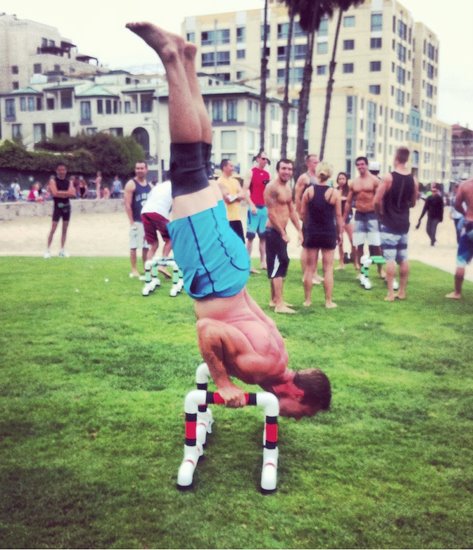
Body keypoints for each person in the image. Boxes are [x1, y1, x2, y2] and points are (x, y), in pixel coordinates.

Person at [126, 21, 331, 417]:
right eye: (299, 414)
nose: (292, 417)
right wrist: (223, 382)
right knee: (188, 170)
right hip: (218, 273)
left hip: (229, 274)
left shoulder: (281, 353)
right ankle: (172, 58)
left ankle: (187, 61)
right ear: (298, 396)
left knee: (198, 166)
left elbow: (250, 309)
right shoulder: (262, 368)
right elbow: (208, 330)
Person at [374, 147, 419, 301]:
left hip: (389, 222)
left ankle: (390, 294)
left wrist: (380, 213)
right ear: (407, 159)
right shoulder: (413, 179)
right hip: (403, 222)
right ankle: (402, 291)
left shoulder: (388, 178)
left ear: (396, 158)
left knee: (390, 259)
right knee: (403, 258)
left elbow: (376, 200)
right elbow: (413, 202)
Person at [301, 162, 342, 308]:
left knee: (310, 268)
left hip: (312, 231)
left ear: (317, 173)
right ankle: (328, 301)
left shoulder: (308, 191)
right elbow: (338, 216)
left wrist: (306, 228)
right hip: (328, 232)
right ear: (330, 175)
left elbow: (302, 213)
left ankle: (307, 300)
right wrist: (340, 233)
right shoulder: (334, 193)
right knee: (328, 268)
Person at [264, 159, 303, 314]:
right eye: (284, 168)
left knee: (280, 263)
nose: (287, 171)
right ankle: (279, 305)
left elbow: (292, 210)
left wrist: (300, 230)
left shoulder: (287, 187)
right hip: (274, 231)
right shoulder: (271, 187)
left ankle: (274, 300)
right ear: (278, 170)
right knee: (279, 264)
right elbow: (271, 213)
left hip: (281, 231)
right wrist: (282, 232)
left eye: (289, 169)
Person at [344, 156, 385, 279]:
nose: (361, 167)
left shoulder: (375, 180)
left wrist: (382, 216)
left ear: (367, 165)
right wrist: (344, 217)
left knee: (376, 245)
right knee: (359, 245)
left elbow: (381, 200)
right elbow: (348, 202)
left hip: (372, 215)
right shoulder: (354, 182)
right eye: (358, 165)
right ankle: (363, 272)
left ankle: (380, 269)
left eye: (363, 164)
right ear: (356, 167)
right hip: (360, 215)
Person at [294, 154, 324, 284]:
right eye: (314, 162)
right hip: (308, 216)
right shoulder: (304, 178)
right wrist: (301, 213)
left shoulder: (318, 178)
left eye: (318, 162)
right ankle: (306, 274)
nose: (316, 164)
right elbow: (297, 196)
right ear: (308, 163)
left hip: (317, 217)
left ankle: (314, 273)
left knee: (315, 246)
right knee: (306, 245)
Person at [243, 151, 271, 273]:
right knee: (250, 237)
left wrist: (269, 207)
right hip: (253, 208)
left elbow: (268, 192)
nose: (265, 161)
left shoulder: (267, 174)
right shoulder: (251, 172)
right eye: (263, 159)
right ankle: (247, 264)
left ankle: (263, 262)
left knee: (263, 237)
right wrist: (251, 205)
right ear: (258, 159)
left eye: (266, 159)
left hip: (264, 208)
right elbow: (244, 191)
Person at [446, 178, 473, 300]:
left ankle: (457, 293)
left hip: (469, 224)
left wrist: (466, 213)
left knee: (461, 262)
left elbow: (457, 204)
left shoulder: (465, 185)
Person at [141, 179, 173, 281]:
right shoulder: (176, 186)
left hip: (145, 212)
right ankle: (162, 265)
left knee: (154, 244)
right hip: (159, 212)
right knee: (171, 239)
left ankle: (148, 272)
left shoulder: (158, 187)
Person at [124, 161, 152, 278]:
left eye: (142, 168)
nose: (139, 170)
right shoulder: (131, 184)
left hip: (146, 222)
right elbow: (127, 204)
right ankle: (134, 269)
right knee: (134, 246)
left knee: (146, 247)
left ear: (146, 169)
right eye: (137, 168)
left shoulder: (150, 185)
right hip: (136, 221)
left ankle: (146, 268)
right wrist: (132, 222)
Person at [44, 162, 76, 258]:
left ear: (66, 171)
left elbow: (73, 194)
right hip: (57, 207)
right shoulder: (53, 181)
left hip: (66, 207)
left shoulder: (69, 182)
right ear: (57, 171)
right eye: (60, 170)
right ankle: (47, 250)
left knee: (64, 229)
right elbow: (54, 193)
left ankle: (62, 250)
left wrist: (61, 193)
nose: (62, 172)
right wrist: (66, 193)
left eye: (64, 170)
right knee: (53, 229)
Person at [217, 159, 245, 242]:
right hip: (227, 219)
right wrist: (237, 196)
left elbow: (243, 196)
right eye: (231, 166)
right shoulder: (220, 182)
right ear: (224, 167)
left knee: (240, 243)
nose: (233, 168)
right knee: (228, 244)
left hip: (236, 218)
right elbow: (228, 199)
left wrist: (234, 197)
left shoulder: (235, 181)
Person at [335, 171, 355, 269]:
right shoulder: (335, 190)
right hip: (337, 218)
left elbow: (352, 202)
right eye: (339, 179)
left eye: (343, 178)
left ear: (346, 180)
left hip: (348, 217)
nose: (341, 181)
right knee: (340, 241)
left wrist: (343, 198)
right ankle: (341, 262)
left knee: (353, 240)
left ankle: (355, 261)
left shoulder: (350, 190)